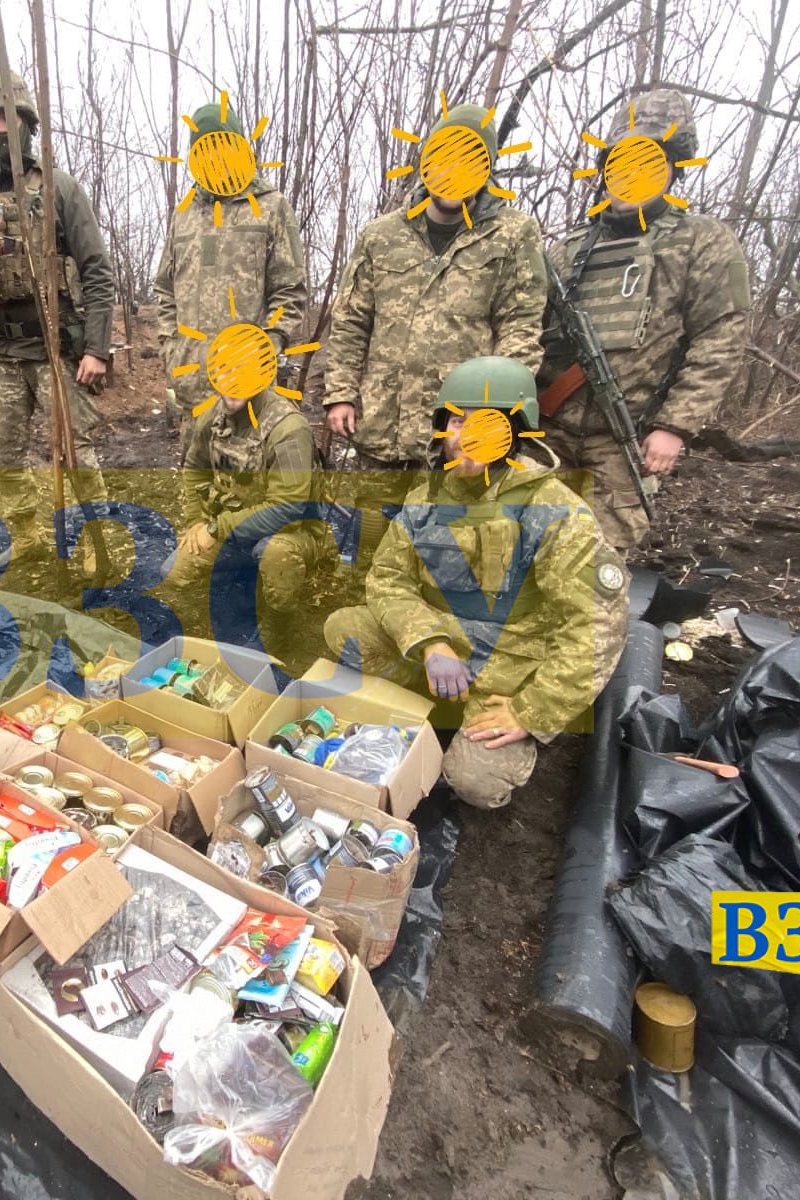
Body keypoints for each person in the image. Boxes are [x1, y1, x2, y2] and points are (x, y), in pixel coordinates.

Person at [324, 356, 629, 808]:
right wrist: (431, 642)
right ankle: (434, 696)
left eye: (485, 425)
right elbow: (387, 578)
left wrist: (531, 711)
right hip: (441, 648)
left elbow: (597, 626)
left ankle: (472, 715)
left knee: (475, 783)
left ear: (516, 432)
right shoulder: (426, 497)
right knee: (344, 630)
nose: (465, 437)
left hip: (506, 668)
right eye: (457, 422)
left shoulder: (553, 510)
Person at [323, 103, 547, 563]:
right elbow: (350, 321)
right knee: (370, 543)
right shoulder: (381, 235)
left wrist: (495, 417)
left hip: (457, 431)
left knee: (444, 551)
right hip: (381, 422)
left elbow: (520, 328)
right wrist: (341, 392)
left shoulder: (512, 234)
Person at [538, 88, 749, 552]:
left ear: (673, 168)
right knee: (523, 556)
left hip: (624, 439)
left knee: (594, 570)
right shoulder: (567, 250)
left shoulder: (701, 241)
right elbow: (529, 332)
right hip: (550, 434)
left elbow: (720, 339)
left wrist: (674, 425)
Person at [0, 67, 116, 561]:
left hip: (55, 346)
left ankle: (97, 543)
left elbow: (97, 270)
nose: (0, 128)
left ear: (27, 121)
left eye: (8, 117)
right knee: (3, 456)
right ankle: (26, 539)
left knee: (76, 452)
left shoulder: (59, 188)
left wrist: (97, 348)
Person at [153, 100, 309, 451]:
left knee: (251, 483)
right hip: (193, 389)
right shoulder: (184, 214)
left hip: (250, 395)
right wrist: (171, 347)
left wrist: (267, 347)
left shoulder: (270, 207)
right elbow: (165, 288)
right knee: (196, 480)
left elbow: (290, 290)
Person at [168, 387, 330, 665]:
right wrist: (197, 521)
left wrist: (216, 529)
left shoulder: (288, 428)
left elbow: (287, 509)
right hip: (236, 528)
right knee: (174, 571)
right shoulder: (213, 415)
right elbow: (195, 467)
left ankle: (277, 627)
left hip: (292, 533)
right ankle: (242, 580)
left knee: (276, 554)